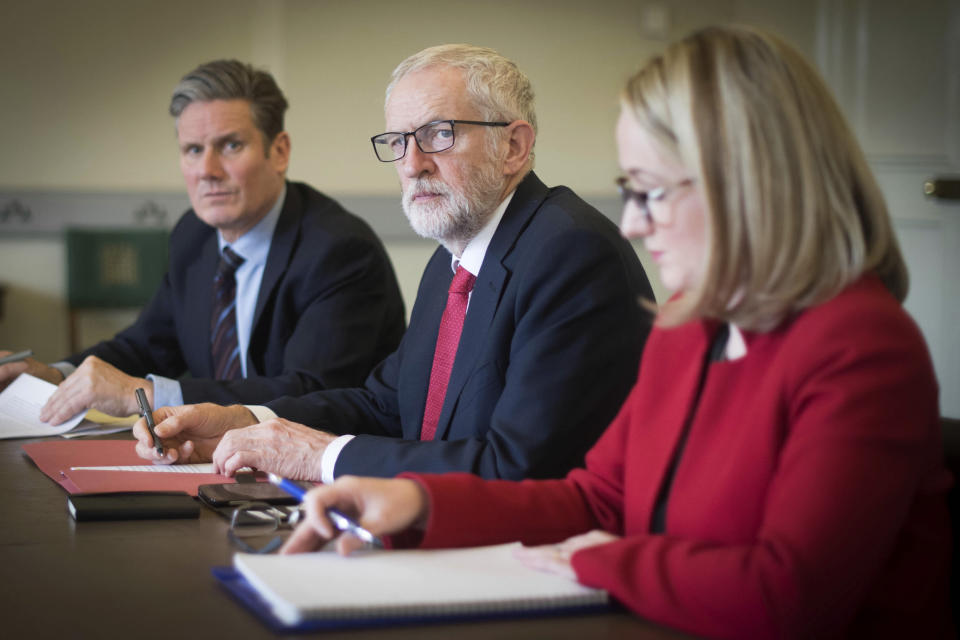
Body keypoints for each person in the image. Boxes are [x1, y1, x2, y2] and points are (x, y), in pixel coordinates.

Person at [280, 27, 954, 639]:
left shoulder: (864, 347)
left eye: (653, 191)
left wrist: (598, 557)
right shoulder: (689, 328)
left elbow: (787, 594)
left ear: (753, 183)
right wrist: (416, 499)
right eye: (629, 191)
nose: (631, 223)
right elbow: (594, 497)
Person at [132, 44, 654, 482]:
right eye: (398, 141)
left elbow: (516, 465)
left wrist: (321, 457)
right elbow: (387, 405)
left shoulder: (572, 253)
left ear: (513, 146)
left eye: (439, 134)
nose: (412, 163)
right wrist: (243, 422)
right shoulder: (450, 261)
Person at [0, 59, 406, 423]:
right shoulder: (193, 236)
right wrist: (56, 375)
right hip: (224, 462)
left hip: (324, 473)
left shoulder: (340, 250)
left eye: (230, 145)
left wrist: (145, 395)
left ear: (279, 151)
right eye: (193, 150)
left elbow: (313, 392)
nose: (207, 170)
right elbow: (147, 345)